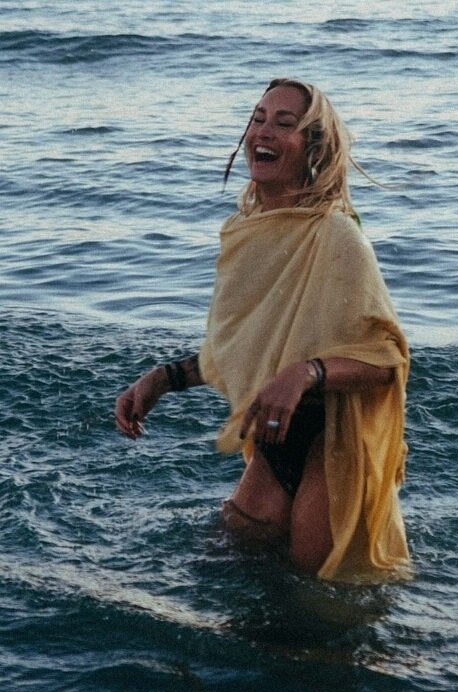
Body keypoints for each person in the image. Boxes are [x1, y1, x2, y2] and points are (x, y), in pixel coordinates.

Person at [115, 78, 410, 582]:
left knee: (321, 612)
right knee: (213, 576)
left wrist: (306, 374)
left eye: (284, 123)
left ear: (312, 147)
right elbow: (247, 346)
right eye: (258, 118)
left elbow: (385, 360)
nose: (263, 131)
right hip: (272, 453)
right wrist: (162, 379)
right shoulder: (245, 234)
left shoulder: (336, 234)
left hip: (330, 453)